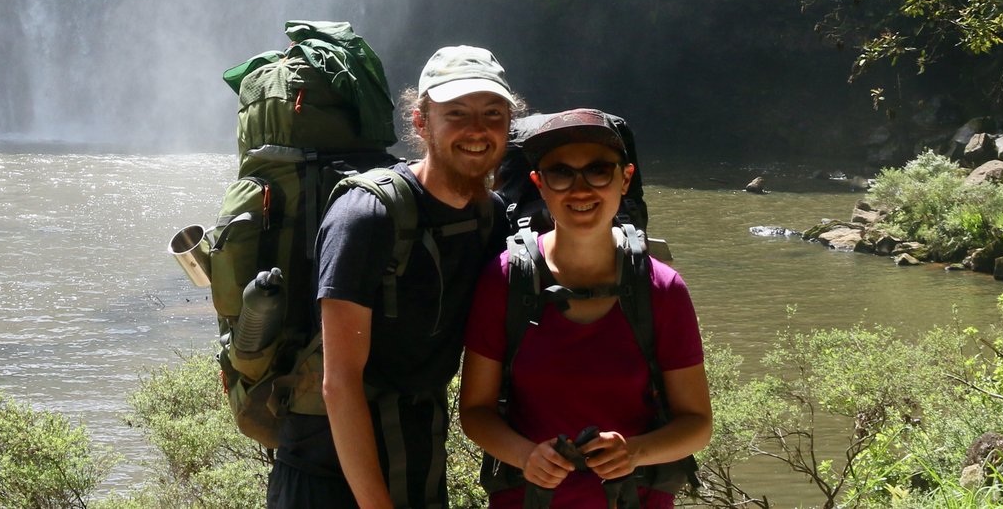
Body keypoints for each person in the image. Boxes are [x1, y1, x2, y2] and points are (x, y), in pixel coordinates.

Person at [267, 45, 522, 509]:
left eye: (493, 113)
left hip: (418, 459)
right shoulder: (367, 217)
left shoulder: (492, 219)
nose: (478, 130)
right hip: (327, 473)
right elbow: (339, 381)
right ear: (421, 122)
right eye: (457, 113)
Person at [459, 109, 712, 509]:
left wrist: (635, 452)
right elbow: (474, 411)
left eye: (598, 170)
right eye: (561, 173)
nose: (580, 189)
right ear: (539, 184)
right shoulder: (506, 280)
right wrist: (526, 455)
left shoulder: (662, 289)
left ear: (624, 179)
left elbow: (697, 424)